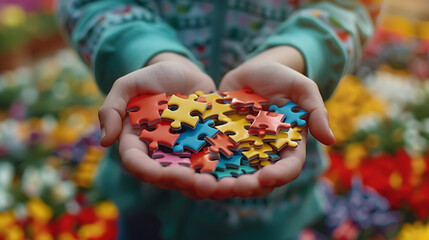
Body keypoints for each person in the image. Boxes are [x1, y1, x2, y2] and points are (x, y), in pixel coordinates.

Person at [57, 1, 380, 239]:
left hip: (273, 214)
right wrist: (143, 53)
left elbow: (350, 7)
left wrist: (296, 54)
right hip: (144, 206)